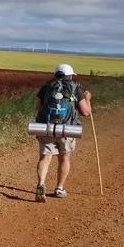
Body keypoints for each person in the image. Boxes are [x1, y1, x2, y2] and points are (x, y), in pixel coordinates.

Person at [34, 63, 92, 202]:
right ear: (70, 76)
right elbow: (85, 112)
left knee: (45, 158)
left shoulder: (47, 87)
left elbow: (38, 107)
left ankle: (41, 183)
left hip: (47, 128)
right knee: (64, 158)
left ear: (56, 74)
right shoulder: (75, 88)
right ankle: (59, 188)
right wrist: (88, 99)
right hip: (67, 129)